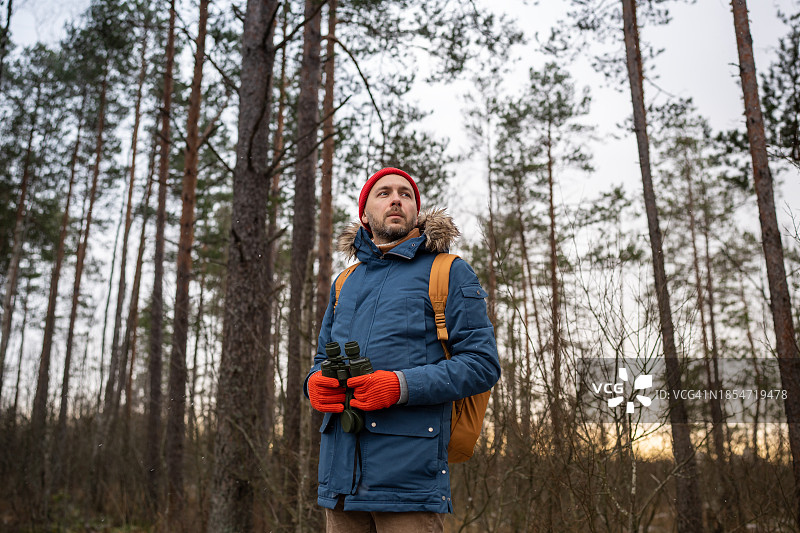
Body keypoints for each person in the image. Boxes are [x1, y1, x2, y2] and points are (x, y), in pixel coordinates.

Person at [305, 167, 501, 532]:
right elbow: (321, 360)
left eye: (405, 194)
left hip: (408, 484)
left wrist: (399, 386)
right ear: (365, 214)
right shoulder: (344, 282)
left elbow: (482, 364)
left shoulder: (449, 271)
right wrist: (313, 384)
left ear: (415, 211)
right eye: (384, 193)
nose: (396, 198)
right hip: (339, 483)